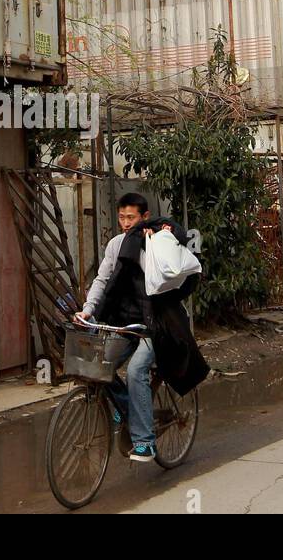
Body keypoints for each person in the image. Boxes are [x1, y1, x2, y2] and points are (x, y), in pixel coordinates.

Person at [74, 193, 207, 462]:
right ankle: (132, 410)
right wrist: (88, 309)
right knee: (99, 366)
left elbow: (180, 255)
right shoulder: (116, 245)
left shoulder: (160, 242)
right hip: (126, 323)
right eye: (121, 217)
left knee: (136, 370)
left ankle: (145, 441)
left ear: (145, 217)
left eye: (130, 218)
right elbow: (102, 279)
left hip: (157, 326)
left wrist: (164, 233)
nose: (125, 223)